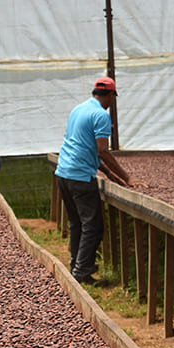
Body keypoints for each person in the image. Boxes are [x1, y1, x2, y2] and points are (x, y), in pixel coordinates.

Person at [54, 76, 139, 284]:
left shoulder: (78, 109)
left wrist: (110, 174)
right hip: (80, 177)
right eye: (112, 98)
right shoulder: (101, 115)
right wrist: (127, 178)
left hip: (63, 173)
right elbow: (102, 150)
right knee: (92, 226)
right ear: (111, 96)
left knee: (76, 223)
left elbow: (83, 147)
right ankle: (82, 272)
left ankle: (77, 264)